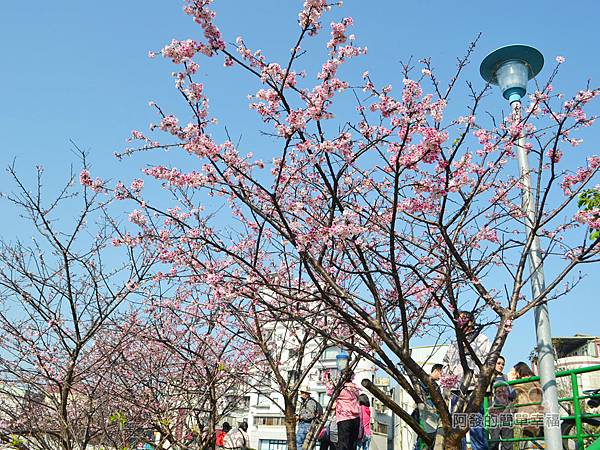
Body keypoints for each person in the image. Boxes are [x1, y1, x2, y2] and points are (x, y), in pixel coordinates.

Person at [442, 310, 491, 450]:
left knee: (476, 427)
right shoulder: (454, 343)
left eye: (463, 319)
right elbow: (446, 362)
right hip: (457, 390)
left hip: (474, 389)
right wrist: (449, 380)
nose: (460, 322)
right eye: (458, 320)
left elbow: (488, 362)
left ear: (470, 322)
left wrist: (478, 379)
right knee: (457, 429)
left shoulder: (482, 339)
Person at [508, 362, 544, 449]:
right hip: (536, 416)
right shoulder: (535, 380)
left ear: (519, 371)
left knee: (528, 444)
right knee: (534, 442)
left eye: (515, 372)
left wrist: (510, 374)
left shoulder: (526, 381)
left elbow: (511, 383)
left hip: (529, 417)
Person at [488, 356, 516, 450]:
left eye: (503, 364)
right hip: (494, 414)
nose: (501, 366)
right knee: (494, 442)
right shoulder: (488, 378)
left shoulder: (506, 378)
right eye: (498, 363)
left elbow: (513, 394)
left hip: (506, 413)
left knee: (508, 442)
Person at [413, 364, 443, 450]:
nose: (441, 376)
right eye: (441, 373)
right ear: (436, 371)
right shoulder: (425, 381)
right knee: (423, 438)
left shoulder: (435, 385)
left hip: (432, 415)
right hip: (425, 414)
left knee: (428, 438)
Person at [336, 370, 362, 450]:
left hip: (344, 418)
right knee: (352, 443)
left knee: (343, 443)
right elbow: (359, 396)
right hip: (355, 418)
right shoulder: (355, 387)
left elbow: (329, 392)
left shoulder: (340, 388)